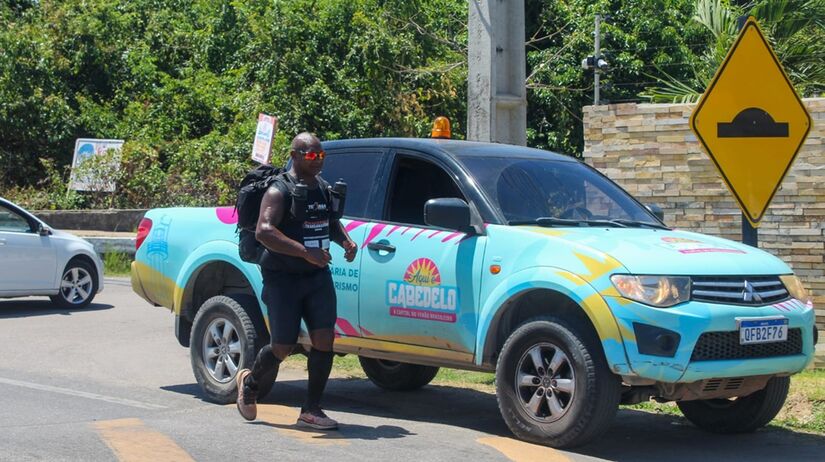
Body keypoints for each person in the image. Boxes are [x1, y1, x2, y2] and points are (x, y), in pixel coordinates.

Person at [235, 132, 357, 430]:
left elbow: (329, 222)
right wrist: (305, 252)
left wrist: (345, 241)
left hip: (316, 276)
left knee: (324, 340)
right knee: (282, 347)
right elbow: (264, 231)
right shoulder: (279, 190)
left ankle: (311, 409)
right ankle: (250, 384)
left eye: (321, 155)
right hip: (283, 279)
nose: (318, 160)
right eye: (311, 155)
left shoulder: (322, 188)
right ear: (295, 155)